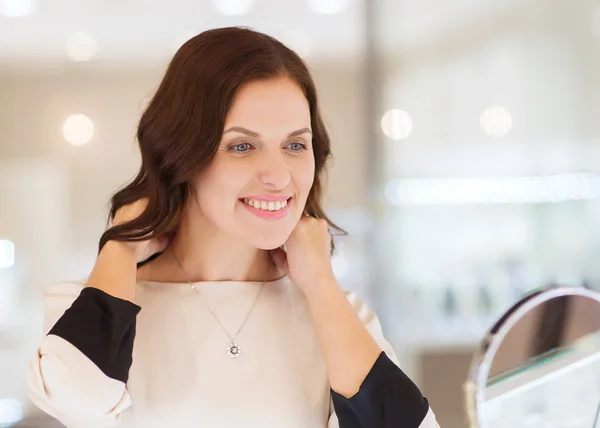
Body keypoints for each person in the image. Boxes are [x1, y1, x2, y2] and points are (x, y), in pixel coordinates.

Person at [26, 27, 440, 428]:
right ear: (181, 154)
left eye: (295, 144)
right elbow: (80, 401)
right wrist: (122, 241)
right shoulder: (91, 308)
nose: (278, 175)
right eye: (242, 146)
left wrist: (320, 283)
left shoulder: (337, 315)